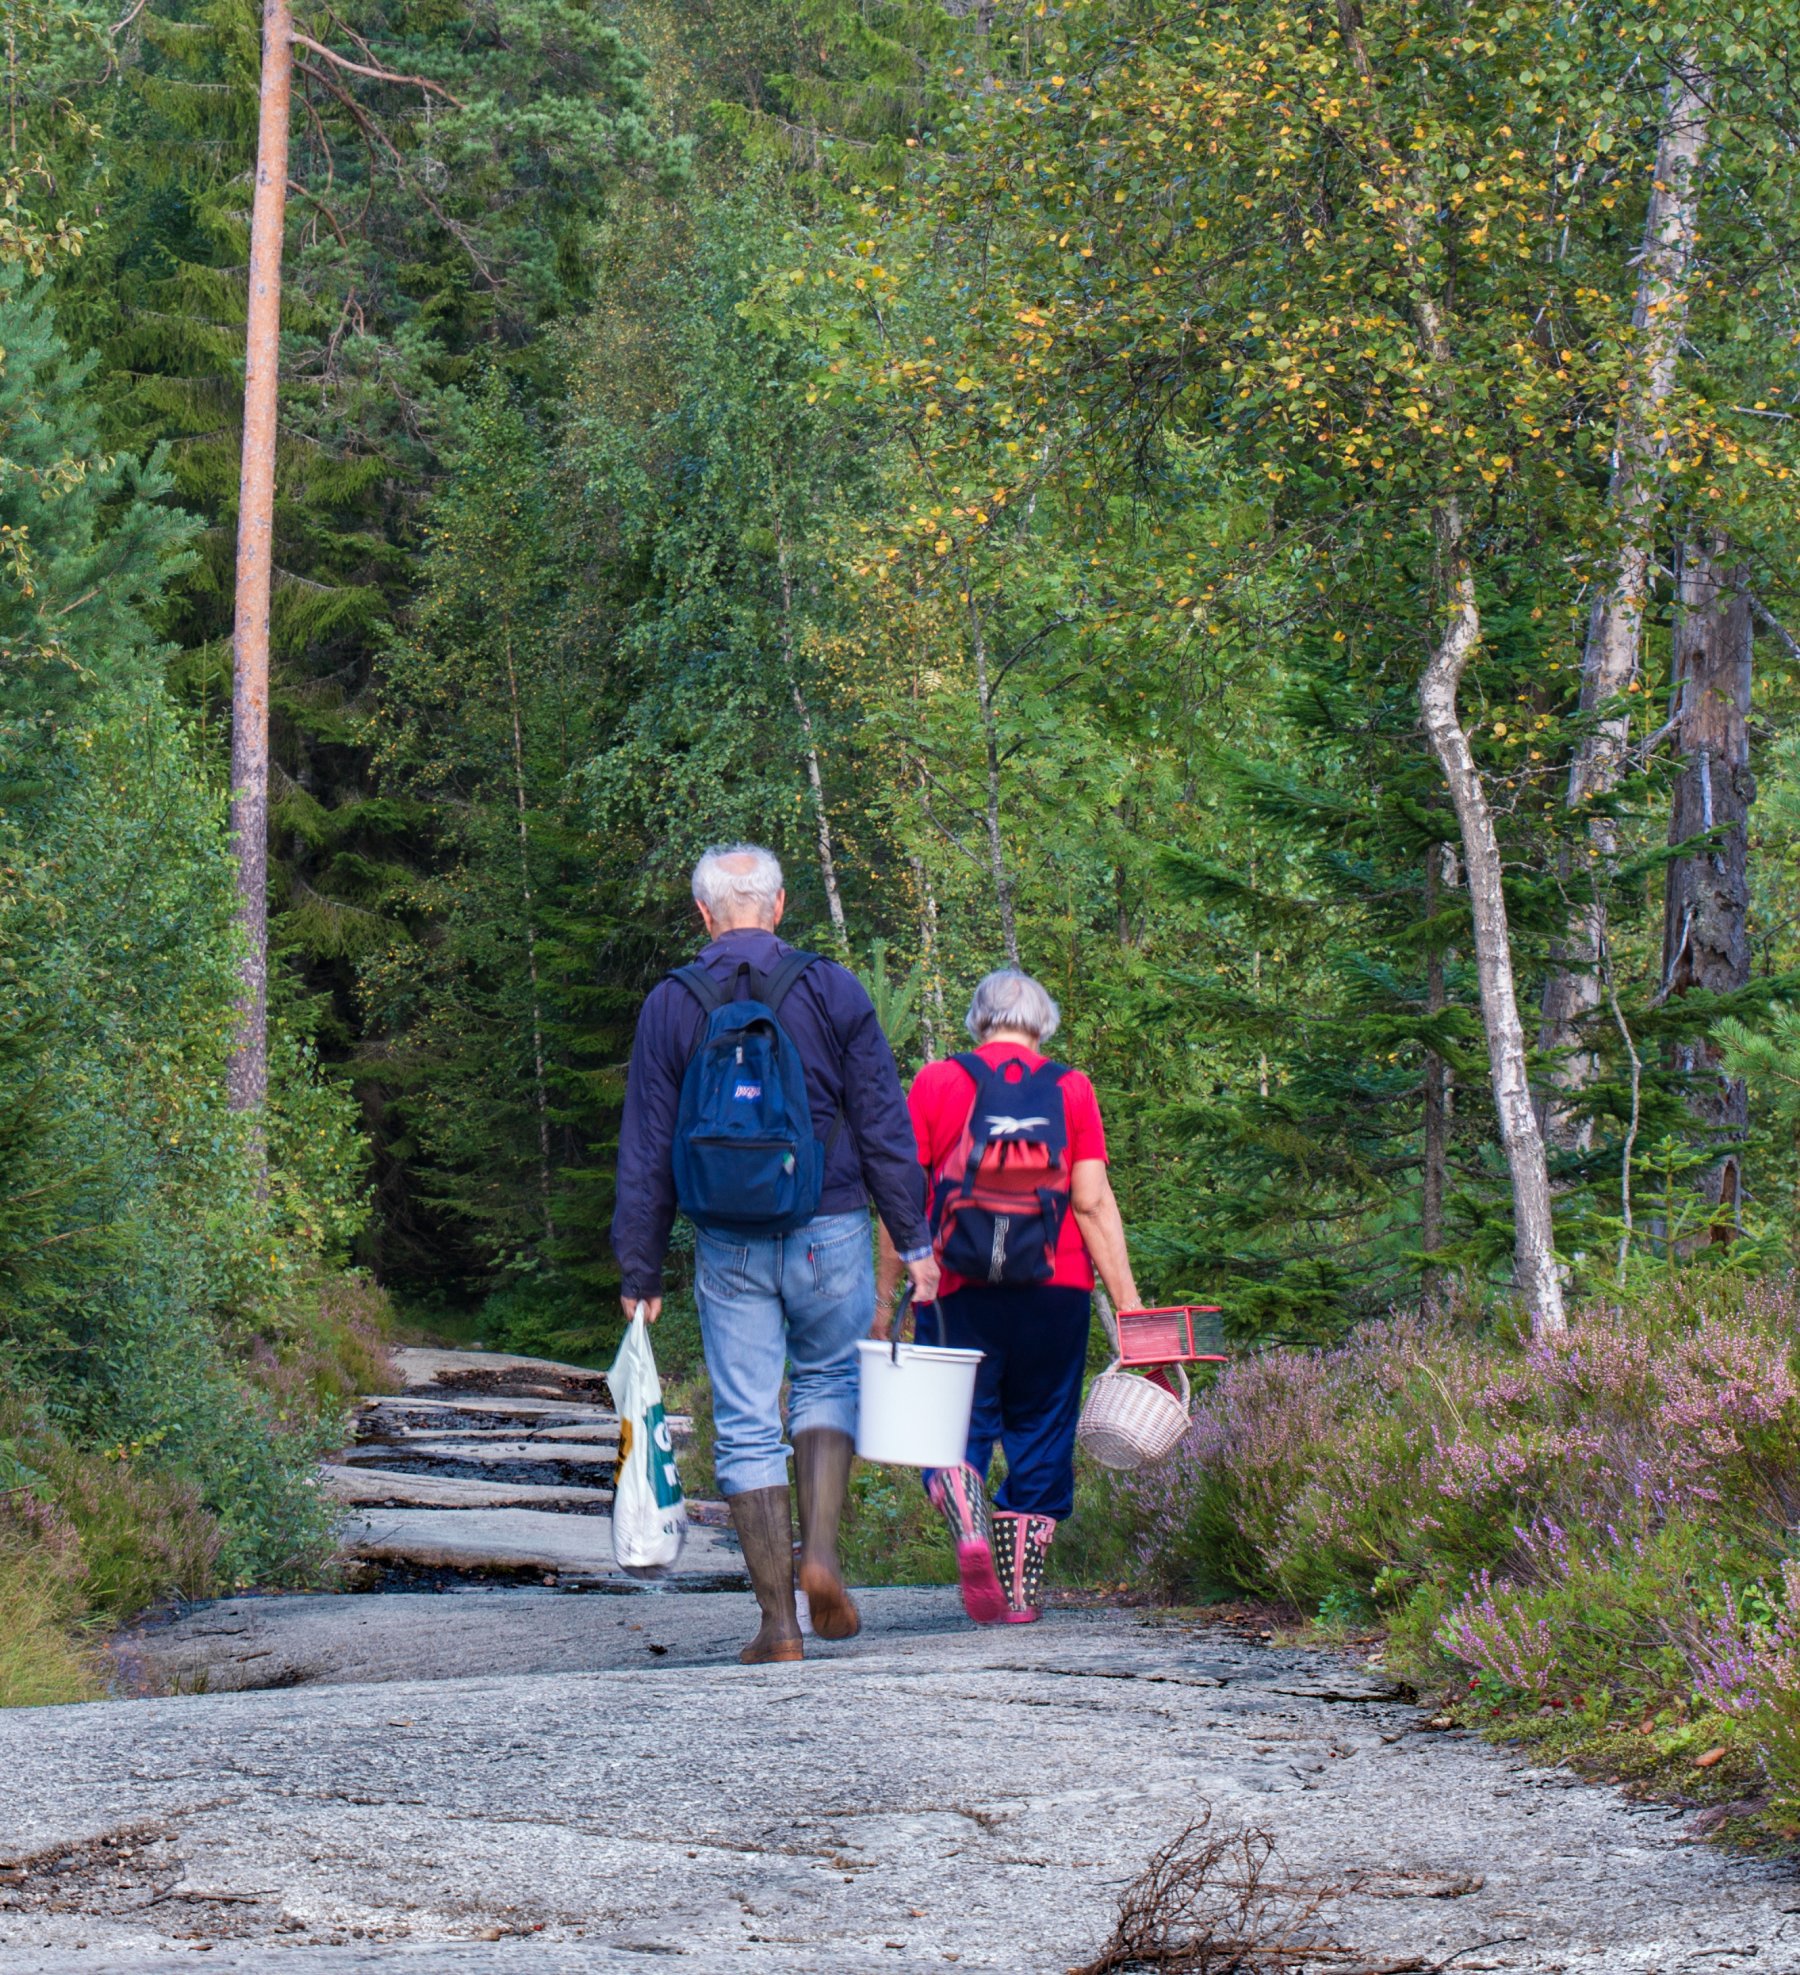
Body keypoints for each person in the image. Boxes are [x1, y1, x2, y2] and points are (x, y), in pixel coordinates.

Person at [613, 844, 940, 1664]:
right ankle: (821, 1554)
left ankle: (778, 1627)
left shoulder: (671, 1003)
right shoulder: (832, 988)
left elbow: (648, 1144)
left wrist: (640, 1266)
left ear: (704, 914)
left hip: (729, 1240)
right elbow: (882, 1122)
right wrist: (915, 1236)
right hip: (829, 1222)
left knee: (749, 1420)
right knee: (828, 1381)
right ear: (781, 904)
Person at [877, 969, 1141, 1624]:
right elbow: (1091, 1200)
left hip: (954, 1286)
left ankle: (964, 1506)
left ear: (978, 1020)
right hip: (1056, 1290)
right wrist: (1132, 1312)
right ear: (1043, 1023)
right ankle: (1019, 1594)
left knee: (953, 1423)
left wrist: (889, 1291)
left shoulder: (939, 1081)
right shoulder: (1071, 1088)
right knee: (1043, 1429)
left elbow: (901, 1196)